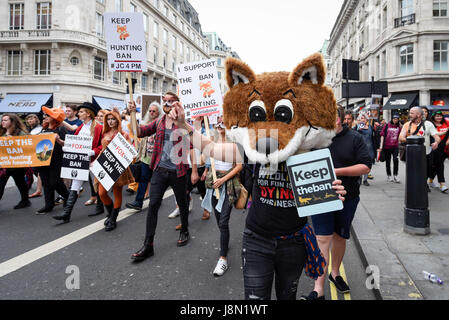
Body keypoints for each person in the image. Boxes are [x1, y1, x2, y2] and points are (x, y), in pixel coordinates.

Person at [166, 101, 346, 300]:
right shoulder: (258, 149)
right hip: (257, 241)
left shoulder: (311, 154)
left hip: (293, 243)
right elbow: (212, 149)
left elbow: (322, 195)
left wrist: (331, 191)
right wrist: (184, 125)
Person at [301, 106, 372, 300]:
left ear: (339, 119)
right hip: (320, 197)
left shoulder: (355, 138)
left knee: (340, 237)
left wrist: (335, 171)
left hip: (347, 197)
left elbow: (366, 166)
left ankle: (335, 273)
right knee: (322, 239)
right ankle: (319, 288)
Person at [129, 92, 193, 262]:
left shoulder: (183, 123)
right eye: (165, 101)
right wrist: (133, 114)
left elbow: (193, 144)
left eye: (171, 101)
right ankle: (148, 244)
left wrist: (182, 122)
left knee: (182, 202)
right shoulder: (159, 121)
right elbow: (140, 132)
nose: (167, 103)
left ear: (178, 104)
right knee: (153, 205)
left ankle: (184, 230)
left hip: (178, 171)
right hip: (159, 170)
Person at [201, 120, 242, 276]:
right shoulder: (211, 142)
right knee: (219, 220)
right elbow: (202, 161)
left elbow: (239, 166)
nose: (220, 124)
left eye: (223, 121)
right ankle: (225, 240)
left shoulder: (235, 144)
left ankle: (223, 258)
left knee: (223, 221)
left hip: (228, 185)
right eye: (217, 121)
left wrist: (223, 180)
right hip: (213, 184)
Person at [52, 102, 104, 223]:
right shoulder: (81, 127)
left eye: (81, 112)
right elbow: (73, 142)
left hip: (93, 161)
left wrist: (93, 152)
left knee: (98, 185)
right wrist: (62, 143)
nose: (79, 113)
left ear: (88, 114)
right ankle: (66, 213)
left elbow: (104, 145)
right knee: (75, 185)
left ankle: (100, 206)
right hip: (80, 161)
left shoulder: (98, 127)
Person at [96, 110, 135, 231]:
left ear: (117, 120)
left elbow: (129, 151)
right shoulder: (105, 132)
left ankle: (113, 218)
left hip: (118, 166)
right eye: (108, 119)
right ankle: (111, 213)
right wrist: (96, 160)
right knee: (101, 193)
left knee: (117, 193)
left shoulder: (123, 134)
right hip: (105, 165)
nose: (110, 121)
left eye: (113, 119)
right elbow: (103, 150)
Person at [126, 102, 161, 211]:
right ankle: (138, 202)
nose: (151, 113)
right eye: (150, 111)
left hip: (157, 159)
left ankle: (156, 201)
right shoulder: (145, 123)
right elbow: (136, 131)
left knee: (156, 182)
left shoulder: (161, 124)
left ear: (158, 112)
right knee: (143, 179)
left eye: (154, 111)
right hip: (146, 157)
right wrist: (132, 113)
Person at [36, 107, 70, 214]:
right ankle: (48, 205)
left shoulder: (61, 129)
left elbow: (68, 144)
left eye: (48, 115)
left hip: (56, 159)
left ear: (55, 118)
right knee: (46, 182)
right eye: (45, 115)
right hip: (43, 159)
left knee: (55, 182)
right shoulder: (43, 129)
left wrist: (58, 140)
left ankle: (67, 196)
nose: (45, 117)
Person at [399, 107, 440, 193]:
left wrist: (436, 143)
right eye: (410, 113)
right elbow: (401, 137)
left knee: (425, 172)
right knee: (413, 173)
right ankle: (416, 188)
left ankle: (423, 184)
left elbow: (437, 137)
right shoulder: (407, 125)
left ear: (418, 115)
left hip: (426, 154)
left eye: (412, 113)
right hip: (411, 154)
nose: (409, 115)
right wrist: (412, 140)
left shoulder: (428, 124)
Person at [0, 113, 31, 209]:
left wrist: (12, 141)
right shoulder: (2, 132)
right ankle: (25, 200)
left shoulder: (21, 133)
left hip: (17, 164)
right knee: (1, 183)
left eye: (5, 120)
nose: (3, 122)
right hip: (4, 164)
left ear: (12, 122)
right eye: (2, 120)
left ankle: (25, 200)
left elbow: (27, 146)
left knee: (20, 182)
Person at [428, 111, 449, 192]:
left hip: (445, 149)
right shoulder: (431, 125)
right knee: (439, 165)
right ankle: (442, 184)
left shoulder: (446, 123)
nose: (439, 118)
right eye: (437, 116)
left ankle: (430, 181)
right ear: (433, 117)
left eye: (440, 116)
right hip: (435, 148)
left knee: (437, 165)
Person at [379, 114, 402, 183]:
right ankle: (389, 175)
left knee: (395, 160)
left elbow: (400, 136)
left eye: (397, 119)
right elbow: (382, 135)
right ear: (392, 119)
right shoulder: (387, 125)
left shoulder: (399, 127)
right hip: (387, 146)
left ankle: (395, 175)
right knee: (388, 161)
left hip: (395, 147)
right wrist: (381, 146)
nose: (395, 120)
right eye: (394, 119)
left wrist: (400, 143)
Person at [25, 114, 44, 199]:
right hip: (30, 151)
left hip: (38, 151)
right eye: (28, 119)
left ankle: (39, 189)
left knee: (38, 170)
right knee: (34, 170)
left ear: (36, 120)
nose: (30, 121)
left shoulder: (39, 128)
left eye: (32, 119)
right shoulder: (27, 129)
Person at [356, 113, 376, 186]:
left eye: (364, 118)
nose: (363, 119)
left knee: (368, 164)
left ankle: (365, 179)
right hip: (361, 148)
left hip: (370, 148)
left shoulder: (370, 127)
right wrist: (359, 130)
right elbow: (355, 136)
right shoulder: (357, 127)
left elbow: (373, 137)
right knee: (360, 164)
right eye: (361, 118)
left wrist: (376, 148)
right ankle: (359, 178)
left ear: (367, 119)